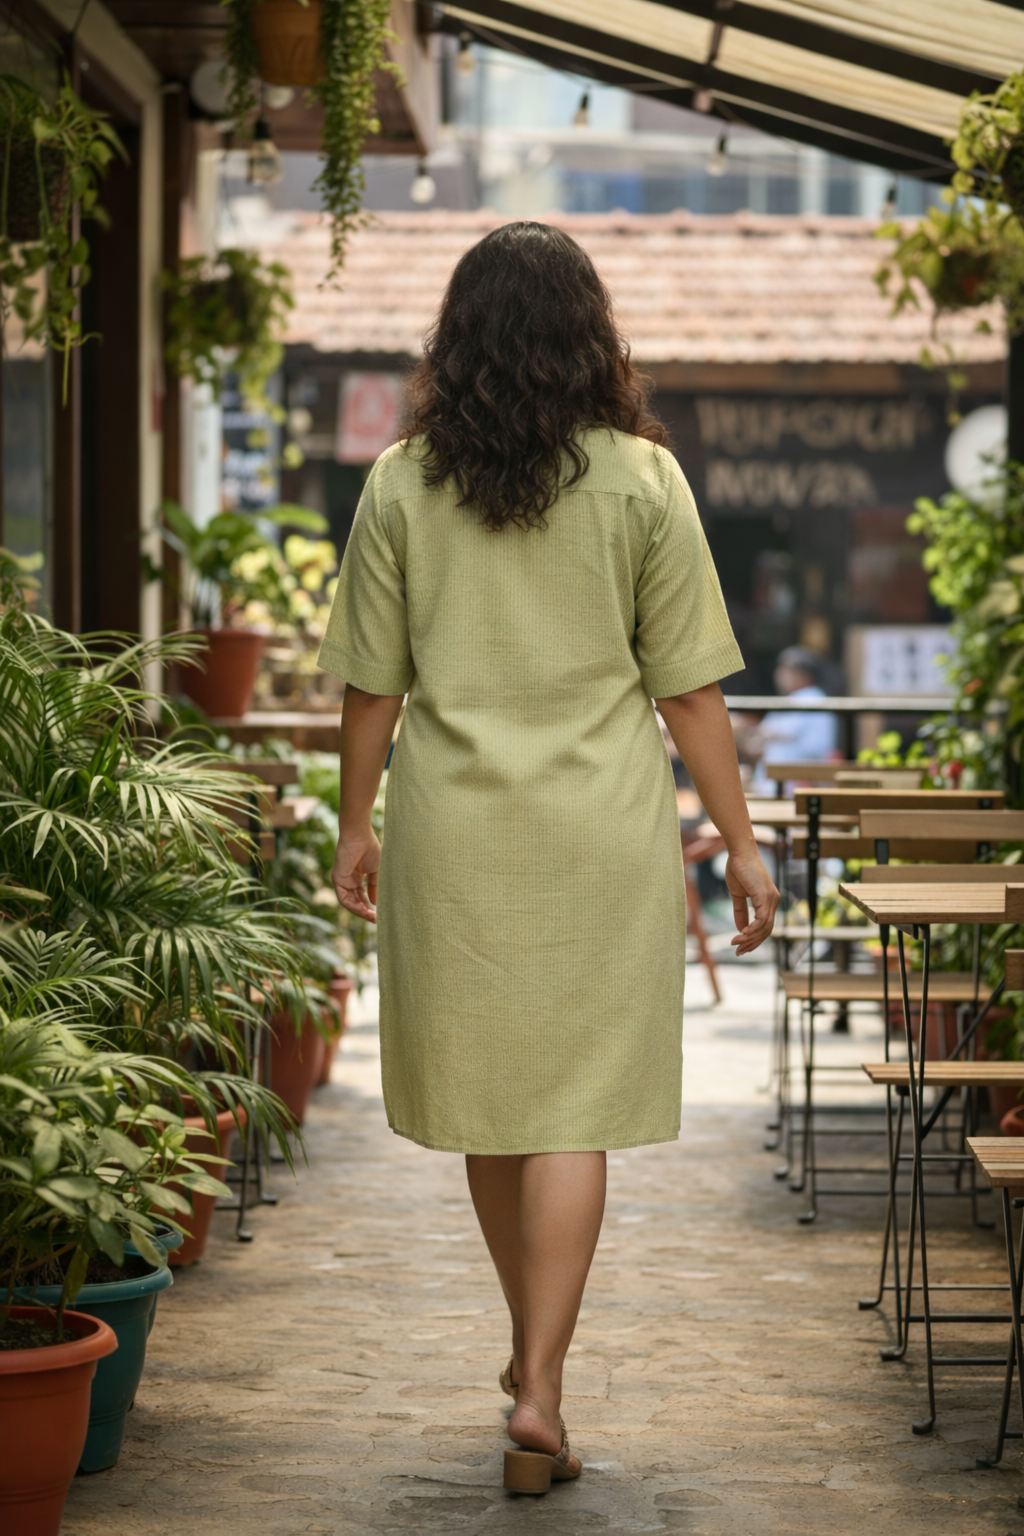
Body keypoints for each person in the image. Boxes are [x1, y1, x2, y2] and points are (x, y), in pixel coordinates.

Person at [319, 223, 779, 1496]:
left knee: (491, 1099)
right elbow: (689, 693)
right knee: (571, 1104)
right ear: (593, 334)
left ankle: (527, 1370)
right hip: (598, 834)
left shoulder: (403, 481)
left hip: (454, 836)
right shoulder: (643, 480)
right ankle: (541, 1386)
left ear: (456, 337)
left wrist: (356, 823)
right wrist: (740, 847)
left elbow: (370, 688)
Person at [753, 645, 839, 788]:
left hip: (796, 784)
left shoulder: (811, 698)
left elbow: (773, 731)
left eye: (786, 671)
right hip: (782, 783)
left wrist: (743, 727)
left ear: (804, 675)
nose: (779, 676)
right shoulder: (795, 698)